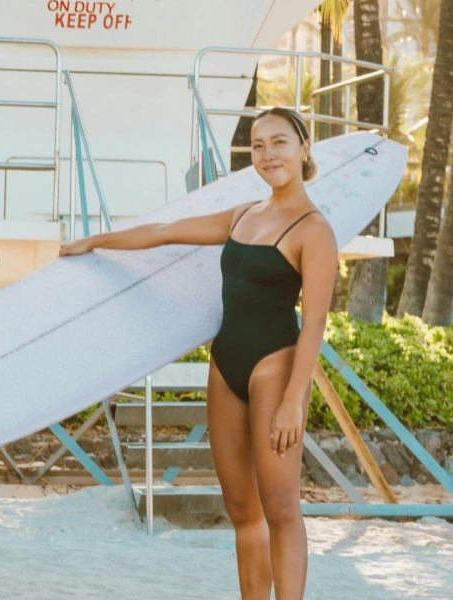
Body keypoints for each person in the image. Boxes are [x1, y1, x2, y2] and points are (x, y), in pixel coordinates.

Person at [60, 107, 337, 600]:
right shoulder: (243, 215)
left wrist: (296, 398)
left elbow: (314, 321)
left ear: (304, 148)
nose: (268, 154)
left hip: (276, 366)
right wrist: (95, 242)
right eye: (257, 145)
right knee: (240, 507)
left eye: (279, 142)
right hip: (226, 364)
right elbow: (166, 231)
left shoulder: (314, 231)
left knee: (280, 506)